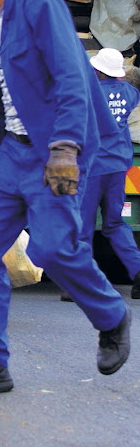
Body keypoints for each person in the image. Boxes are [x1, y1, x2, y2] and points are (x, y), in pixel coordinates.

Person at [0, 0, 131, 393]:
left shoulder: (38, 3)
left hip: (54, 148)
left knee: (52, 249)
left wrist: (66, 147)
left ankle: (112, 316)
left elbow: (72, 74)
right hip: (9, 153)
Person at [61, 48, 140, 302]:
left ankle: (79, 284)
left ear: (96, 69)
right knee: (115, 223)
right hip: (119, 165)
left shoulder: (88, 92)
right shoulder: (131, 92)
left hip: (92, 167)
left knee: (82, 225)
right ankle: (138, 271)